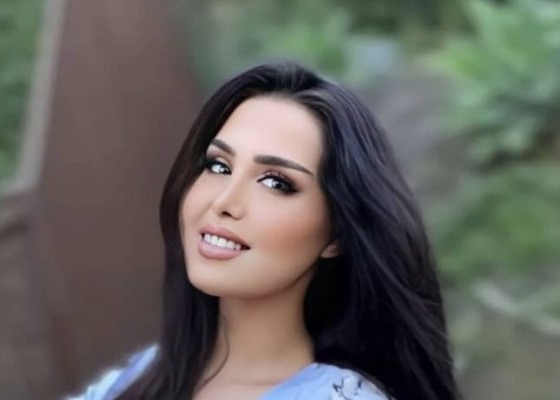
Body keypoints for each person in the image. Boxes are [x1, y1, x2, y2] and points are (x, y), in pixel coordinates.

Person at [69, 63, 459, 400]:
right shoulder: (133, 378)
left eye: (275, 182)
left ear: (336, 234)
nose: (224, 201)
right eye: (219, 166)